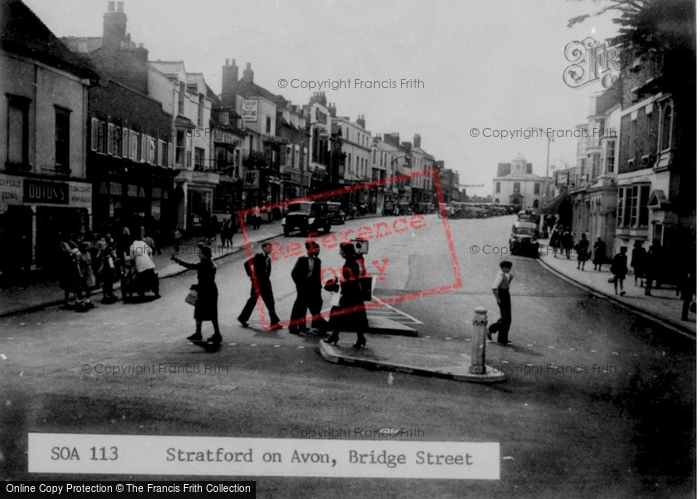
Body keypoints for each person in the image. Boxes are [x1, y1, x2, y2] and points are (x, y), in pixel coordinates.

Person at [172, 244, 222, 344]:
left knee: (199, 312)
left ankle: (199, 333)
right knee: (212, 313)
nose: (198, 254)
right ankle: (216, 334)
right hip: (211, 290)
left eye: (200, 253)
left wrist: (178, 261)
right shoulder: (210, 263)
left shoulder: (204, 264)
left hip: (205, 291)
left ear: (204, 255)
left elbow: (192, 267)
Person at [323, 242, 368, 349]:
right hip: (353, 293)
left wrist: (340, 286)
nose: (339, 253)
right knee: (353, 317)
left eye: (341, 251)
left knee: (341, 315)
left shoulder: (350, 263)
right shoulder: (351, 261)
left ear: (345, 252)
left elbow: (350, 280)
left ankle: (338, 336)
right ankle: (357, 338)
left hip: (350, 294)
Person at [238, 242, 282, 330]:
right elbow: (246, 264)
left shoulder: (268, 259)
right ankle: (243, 318)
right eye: (269, 248)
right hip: (258, 283)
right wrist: (251, 276)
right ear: (264, 248)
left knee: (270, 302)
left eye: (271, 247)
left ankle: (274, 322)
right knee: (253, 301)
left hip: (266, 283)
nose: (271, 249)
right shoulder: (258, 257)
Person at [289, 242, 326, 335]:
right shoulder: (302, 260)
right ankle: (293, 327)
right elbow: (294, 273)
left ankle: (303, 327)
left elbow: (318, 276)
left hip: (313, 289)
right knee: (299, 308)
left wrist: (319, 288)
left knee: (310, 307)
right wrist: (299, 285)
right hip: (302, 288)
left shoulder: (318, 261)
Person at [488, 260, 514, 346]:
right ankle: (491, 329)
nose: (510, 269)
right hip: (502, 295)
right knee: (506, 318)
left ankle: (502, 339)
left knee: (507, 318)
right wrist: (498, 299)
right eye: (508, 268)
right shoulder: (499, 276)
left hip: (506, 294)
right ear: (504, 268)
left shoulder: (506, 274)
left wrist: (509, 278)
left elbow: (507, 285)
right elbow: (494, 288)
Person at [128, 234, 160, 300]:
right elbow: (150, 250)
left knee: (140, 279)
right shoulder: (142, 243)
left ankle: (142, 294)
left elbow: (131, 258)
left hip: (140, 266)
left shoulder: (131, 247)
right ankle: (156, 293)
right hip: (149, 264)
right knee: (153, 278)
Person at [76, 242, 95, 311]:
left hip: (89, 270)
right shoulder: (79, 254)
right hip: (83, 270)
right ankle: (78, 301)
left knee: (89, 287)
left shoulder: (88, 253)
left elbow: (90, 262)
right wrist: (80, 273)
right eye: (87, 247)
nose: (88, 248)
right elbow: (78, 264)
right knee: (81, 287)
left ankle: (88, 301)